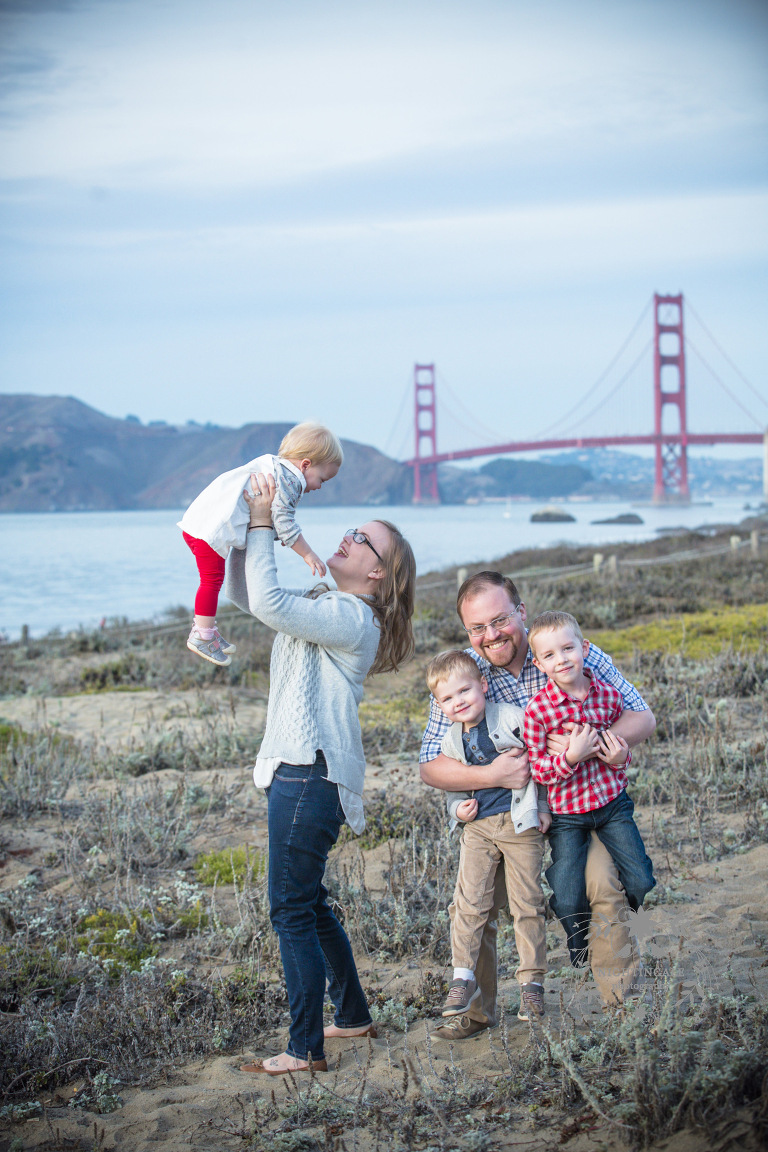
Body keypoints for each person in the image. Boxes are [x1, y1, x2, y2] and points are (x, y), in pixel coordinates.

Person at [228, 471, 415, 1075]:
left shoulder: (352, 617)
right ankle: (353, 1014)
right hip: (310, 774)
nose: (346, 537)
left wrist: (264, 524)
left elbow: (265, 602)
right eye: (351, 530)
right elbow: (248, 598)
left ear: (378, 572)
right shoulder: (323, 605)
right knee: (310, 905)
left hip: (308, 775)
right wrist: (233, 536)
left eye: (363, 539)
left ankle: (305, 1047)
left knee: (289, 909)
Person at [420, 571, 656, 1039]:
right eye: (477, 628)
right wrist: (493, 775)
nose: (491, 636)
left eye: (500, 620)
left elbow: (641, 715)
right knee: (476, 905)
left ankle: (620, 1006)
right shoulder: (465, 673)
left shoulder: (566, 649)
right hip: (508, 815)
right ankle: (476, 1011)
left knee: (602, 886)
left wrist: (586, 744)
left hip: (578, 805)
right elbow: (430, 764)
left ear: (521, 613)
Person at [524, 610, 656, 967]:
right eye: (549, 655)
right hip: (568, 814)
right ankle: (577, 938)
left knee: (642, 879)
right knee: (567, 894)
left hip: (612, 803)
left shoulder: (609, 697)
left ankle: (631, 915)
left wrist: (618, 758)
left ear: (584, 648)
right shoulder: (538, 713)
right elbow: (538, 769)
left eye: (568, 649)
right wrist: (570, 757)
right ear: (538, 663)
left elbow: (620, 749)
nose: (561, 659)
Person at [426, 649, 551, 1023]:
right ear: (438, 705)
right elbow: (452, 784)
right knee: (468, 903)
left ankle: (532, 986)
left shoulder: (512, 718)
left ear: (483, 686)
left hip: (518, 823)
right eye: (447, 698)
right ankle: (462, 978)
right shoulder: (450, 740)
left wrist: (542, 806)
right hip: (478, 829)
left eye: (464, 691)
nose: (458, 702)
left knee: (526, 903)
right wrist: (456, 807)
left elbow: (538, 759)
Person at [178, 422, 343, 667]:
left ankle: (208, 630)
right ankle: (202, 634)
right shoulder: (290, 481)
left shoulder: (273, 466)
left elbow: (271, 520)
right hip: (210, 531)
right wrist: (308, 554)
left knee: (215, 580)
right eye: (322, 479)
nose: (319, 486)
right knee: (211, 580)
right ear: (305, 465)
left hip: (201, 523)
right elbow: (283, 521)